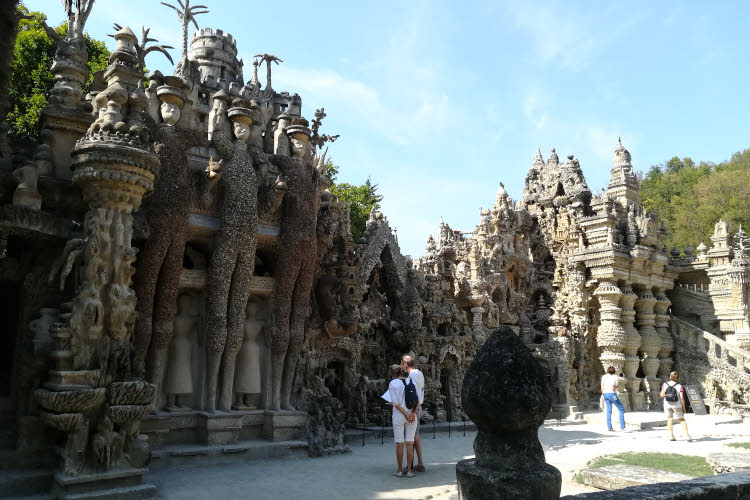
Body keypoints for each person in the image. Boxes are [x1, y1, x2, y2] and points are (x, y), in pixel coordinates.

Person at [388, 364, 417, 478]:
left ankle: (400, 470)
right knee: (410, 443)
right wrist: (412, 413)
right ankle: (409, 471)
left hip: (399, 416)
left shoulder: (392, 383)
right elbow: (417, 399)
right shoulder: (410, 381)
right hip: (412, 415)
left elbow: (395, 403)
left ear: (393, 373)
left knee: (400, 443)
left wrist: (405, 414)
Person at [402, 355, 425, 472]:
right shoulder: (419, 373)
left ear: (406, 364)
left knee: (411, 437)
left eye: (402, 363)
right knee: (416, 437)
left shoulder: (411, 376)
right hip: (418, 408)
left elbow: (416, 396)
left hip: (414, 409)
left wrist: (413, 412)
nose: (402, 366)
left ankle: (410, 465)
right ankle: (420, 463)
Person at [660, 371, 692, 442]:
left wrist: (668, 395)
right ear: (677, 378)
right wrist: (684, 408)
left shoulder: (665, 384)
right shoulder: (679, 386)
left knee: (669, 419)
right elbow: (682, 398)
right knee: (682, 420)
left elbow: (661, 395)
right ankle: (687, 436)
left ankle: (671, 436)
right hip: (677, 405)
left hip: (667, 405)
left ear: (670, 377)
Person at [601, 366, 626, 431]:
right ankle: (622, 426)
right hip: (612, 394)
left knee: (609, 411)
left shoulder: (604, 377)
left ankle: (609, 427)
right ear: (614, 371)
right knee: (621, 409)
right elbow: (613, 388)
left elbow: (602, 386)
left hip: (605, 394)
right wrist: (617, 386)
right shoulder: (615, 377)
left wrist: (603, 394)